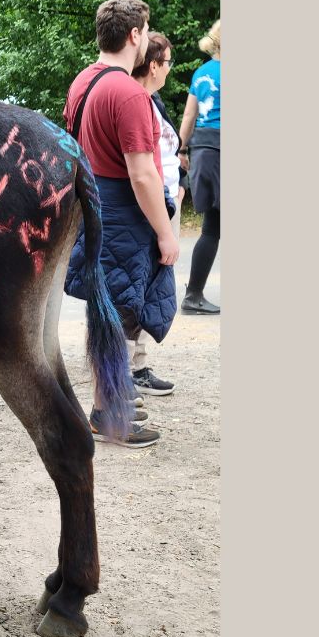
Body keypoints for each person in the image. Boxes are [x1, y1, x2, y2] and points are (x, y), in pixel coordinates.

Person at [63, 0, 178, 448]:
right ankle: (109, 414)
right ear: (134, 35)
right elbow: (142, 172)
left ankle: (112, 401)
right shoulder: (128, 92)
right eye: (147, 30)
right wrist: (167, 233)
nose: (149, 38)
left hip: (93, 206)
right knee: (118, 312)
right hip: (121, 211)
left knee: (108, 310)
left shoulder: (84, 81)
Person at [126, 31, 181, 397]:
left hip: (166, 203)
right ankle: (127, 371)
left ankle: (138, 366)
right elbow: (141, 168)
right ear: (154, 65)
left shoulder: (154, 101)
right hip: (151, 208)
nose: (170, 69)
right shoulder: (135, 102)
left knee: (149, 290)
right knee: (135, 288)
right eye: (168, 62)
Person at [178, 20, 221, 315]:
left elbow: (189, 115)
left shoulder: (202, 72)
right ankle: (193, 296)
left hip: (204, 152)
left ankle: (194, 294)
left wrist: (181, 149)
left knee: (212, 228)